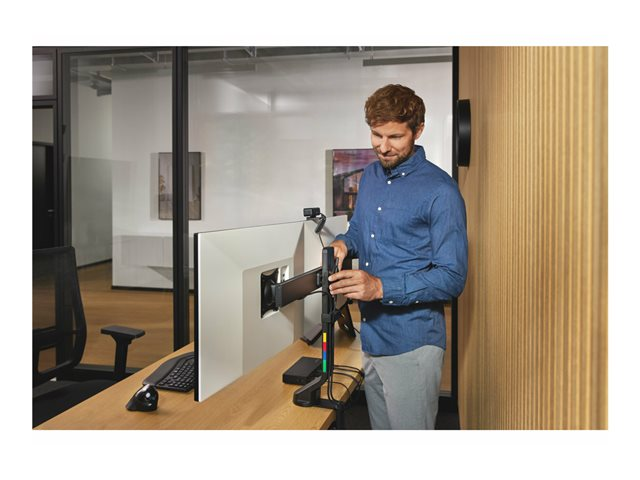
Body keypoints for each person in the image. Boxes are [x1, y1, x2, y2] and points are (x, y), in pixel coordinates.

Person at [328, 84, 468, 430]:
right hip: (371, 336)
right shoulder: (371, 175)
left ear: (418, 131)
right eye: (376, 135)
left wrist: (379, 287)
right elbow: (360, 230)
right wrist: (344, 243)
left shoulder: (441, 191)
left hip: (412, 343)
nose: (383, 146)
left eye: (395, 137)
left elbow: (452, 277)